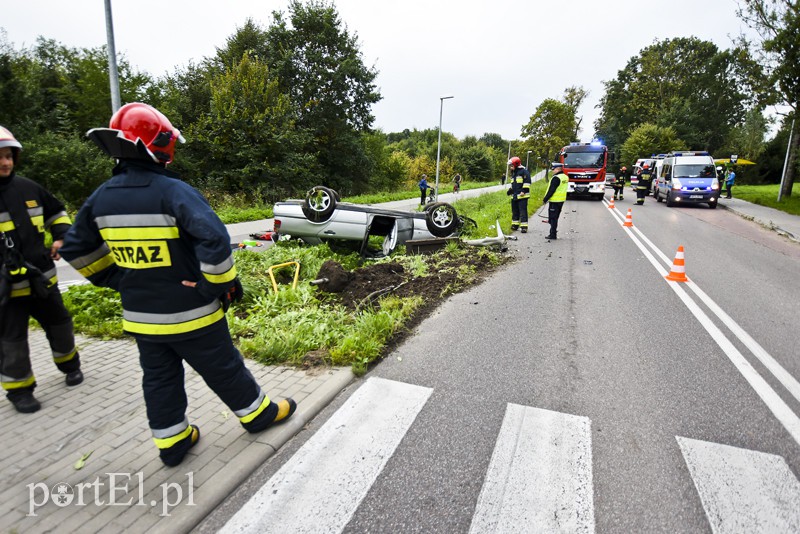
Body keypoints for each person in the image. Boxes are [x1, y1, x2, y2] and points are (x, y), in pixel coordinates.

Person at [59, 103, 296, 467]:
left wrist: (115, 278)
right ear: (162, 145)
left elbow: (75, 247)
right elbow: (214, 241)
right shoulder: (173, 191)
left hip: (142, 317)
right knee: (223, 366)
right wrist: (212, 286)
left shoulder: (101, 197)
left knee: (159, 379)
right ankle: (257, 414)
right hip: (191, 311)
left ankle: (172, 441)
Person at [0, 126, 83, 414]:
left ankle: (70, 365)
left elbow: (58, 212)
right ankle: (19, 391)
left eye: (8, 156)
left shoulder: (28, 188)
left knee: (60, 325)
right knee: (11, 341)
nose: (5, 162)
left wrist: (61, 237)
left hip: (42, 278)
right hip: (6, 291)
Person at [542, 161, 569, 240]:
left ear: (558, 169)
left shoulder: (556, 178)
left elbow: (552, 190)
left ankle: (553, 234)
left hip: (555, 200)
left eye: (553, 169)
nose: (552, 171)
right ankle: (553, 232)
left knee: (553, 218)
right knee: (555, 217)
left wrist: (545, 199)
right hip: (561, 200)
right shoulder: (565, 177)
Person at [506, 157, 531, 232]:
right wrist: (510, 191)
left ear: (516, 165)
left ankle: (524, 227)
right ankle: (515, 225)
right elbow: (514, 184)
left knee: (523, 212)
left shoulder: (524, 172)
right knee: (515, 211)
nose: (511, 167)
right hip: (515, 196)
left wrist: (524, 191)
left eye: (512, 165)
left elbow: (527, 182)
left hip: (522, 196)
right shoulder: (514, 173)